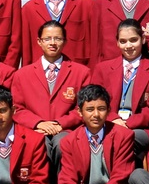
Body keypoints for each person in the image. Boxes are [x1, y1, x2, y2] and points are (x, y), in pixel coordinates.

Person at [39, 85, 149, 184]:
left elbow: (121, 176)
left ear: (109, 110)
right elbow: (66, 180)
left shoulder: (123, 135)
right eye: (90, 109)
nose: (96, 114)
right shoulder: (69, 141)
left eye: (101, 109)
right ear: (80, 112)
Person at [10, 21, 91, 167]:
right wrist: (39, 123)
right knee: (39, 145)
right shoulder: (22, 74)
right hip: (35, 128)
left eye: (58, 38)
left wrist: (60, 124)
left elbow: (84, 108)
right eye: (47, 39)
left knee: (63, 144)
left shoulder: (81, 72)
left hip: (66, 129)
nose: (52, 43)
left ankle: (64, 181)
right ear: (39, 41)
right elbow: (17, 108)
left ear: (65, 41)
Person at [89, 19, 149, 160]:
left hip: (140, 128)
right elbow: (94, 101)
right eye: (123, 41)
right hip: (108, 123)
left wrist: (127, 123)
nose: (128, 46)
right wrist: (113, 119)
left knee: (124, 137)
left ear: (143, 39)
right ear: (117, 43)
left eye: (133, 40)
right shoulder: (102, 69)